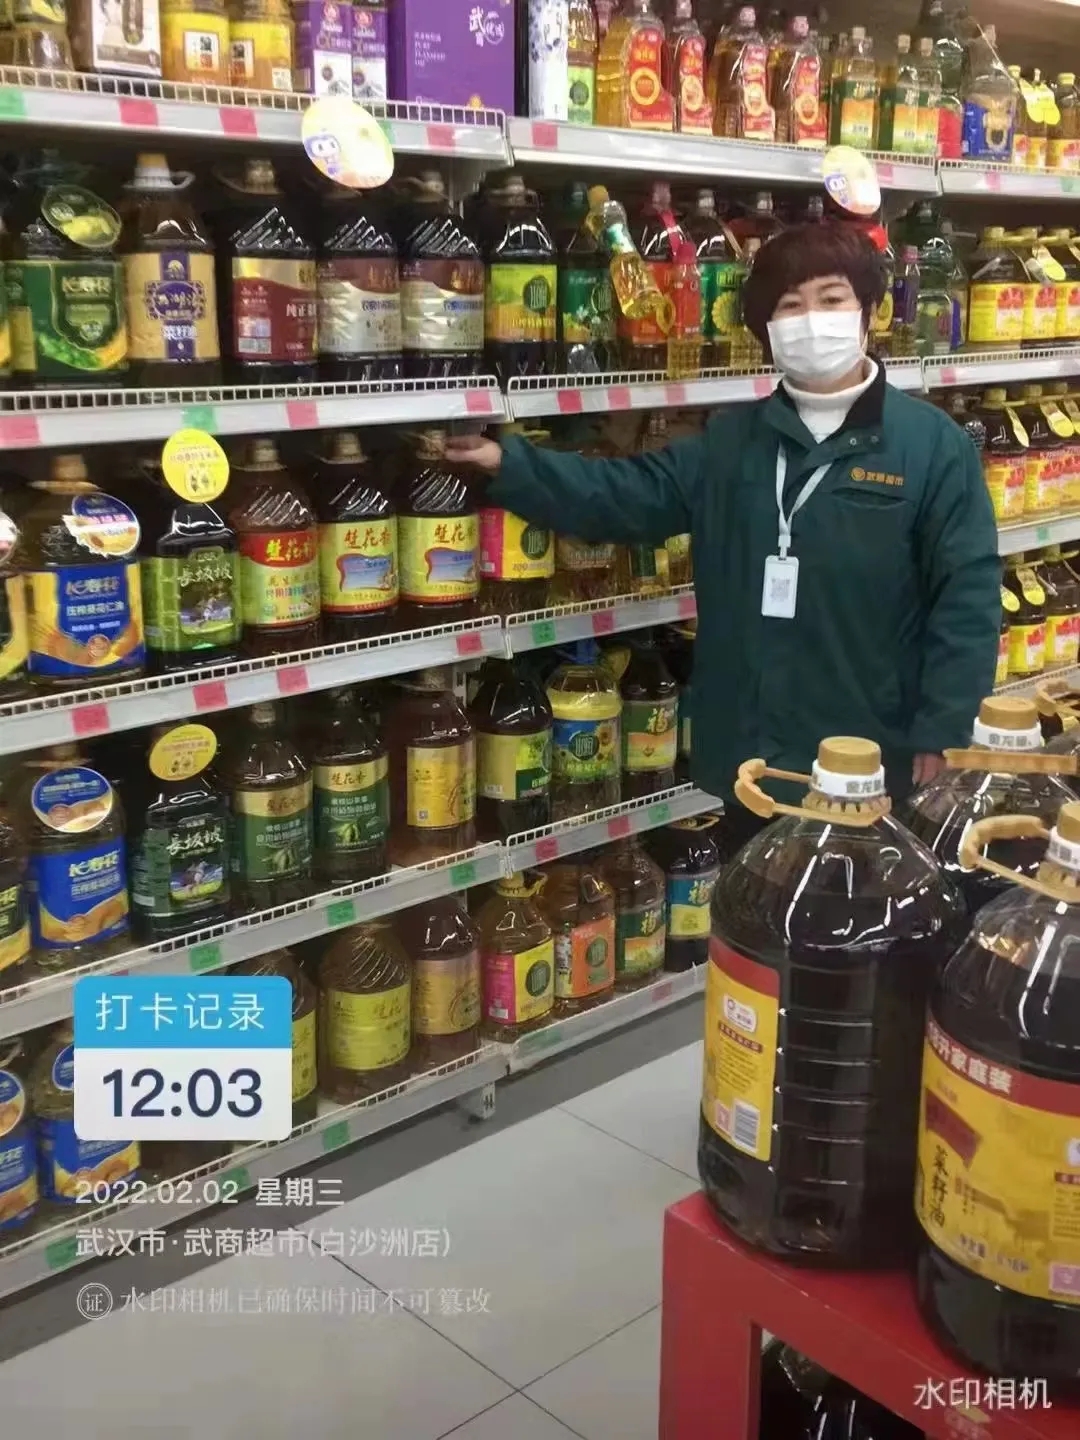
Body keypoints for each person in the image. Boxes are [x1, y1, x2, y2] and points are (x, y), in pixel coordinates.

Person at [446, 221, 1001, 851]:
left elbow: (967, 595)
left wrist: (946, 726)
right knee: (752, 903)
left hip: (867, 751)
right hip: (750, 756)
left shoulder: (931, 446)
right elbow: (625, 493)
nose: (811, 320)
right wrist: (508, 464)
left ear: (869, 311)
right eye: (790, 305)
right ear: (767, 330)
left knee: (854, 903)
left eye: (831, 298)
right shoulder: (733, 443)